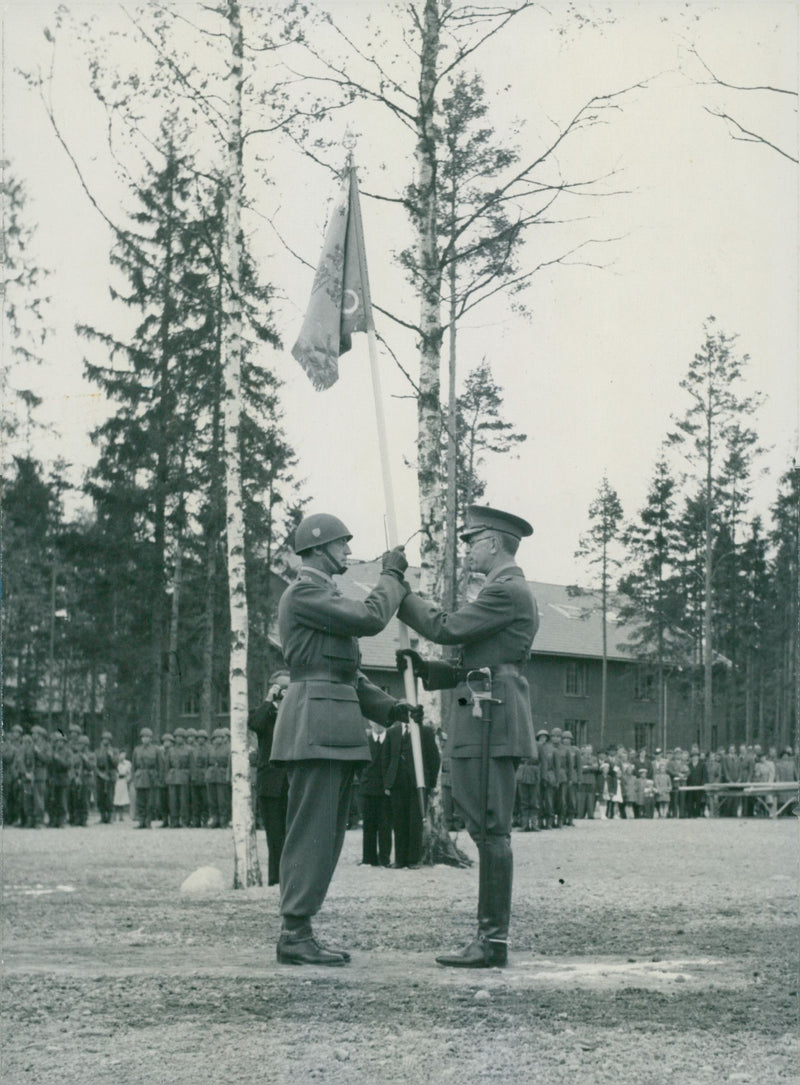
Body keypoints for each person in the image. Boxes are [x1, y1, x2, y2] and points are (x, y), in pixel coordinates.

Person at [269, 512, 416, 966]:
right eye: (342, 545)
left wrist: (390, 708)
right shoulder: (305, 592)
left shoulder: (320, 594)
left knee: (327, 835)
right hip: (316, 724)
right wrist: (391, 576)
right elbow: (371, 617)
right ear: (317, 549)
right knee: (312, 832)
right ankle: (294, 930)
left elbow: (345, 673)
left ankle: (302, 927)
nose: (349, 552)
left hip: (330, 723)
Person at [397, 504, 538, 968]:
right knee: (486, 828)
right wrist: (430, 671)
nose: (470, 551)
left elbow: (448, 627)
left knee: (491, 830)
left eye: (474, 541)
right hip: (484, 712)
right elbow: (469, 660)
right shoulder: (504, 591)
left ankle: (491, 941)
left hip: (490, 719)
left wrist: (400, 592)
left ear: (494, 544)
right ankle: (489, 939)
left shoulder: (506, 591)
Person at [248, 671, 291, 886]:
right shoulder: (263, 713)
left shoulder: (295, 712)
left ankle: (291, 878)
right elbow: (255, 724)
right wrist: (268, 699)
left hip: (292, 782)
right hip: (270, 782)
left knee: (291, 832)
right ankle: (276, 878)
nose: (285, 694)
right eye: (282, 689)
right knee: (274, 834)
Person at [381, 716, 440, 868]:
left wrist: (430, 784)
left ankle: (414, 859)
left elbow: (434, 758)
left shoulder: (425, 732)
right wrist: (387, 783)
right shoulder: (392, 732)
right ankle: (400, 860)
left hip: (418, 784)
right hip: (397, 783)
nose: (406, 716)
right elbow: (385, 758)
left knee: (415, 822)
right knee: (398, 821)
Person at [359, 724, 392, 866]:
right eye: (375, 722)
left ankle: (385, 858)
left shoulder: (390, 740)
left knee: (385, 825)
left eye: (381, 722)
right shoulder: (365, 741)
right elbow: (359, 766)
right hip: (368, 789)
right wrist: (364, 779)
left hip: (386, 791)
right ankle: (368, 858)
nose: (378, 725)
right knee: (369, 825)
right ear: (370, 723)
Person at [114, 749, 132, 820]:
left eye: (124, 754)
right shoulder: (115, 762)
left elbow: (130, 773)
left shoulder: (128, 763)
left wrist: (127, 780)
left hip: (123, 781)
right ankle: (114, 815)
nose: (122, 756)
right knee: (115, 797)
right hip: (116, 781)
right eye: (121, 754)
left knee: (122, 798)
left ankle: (121, 816)